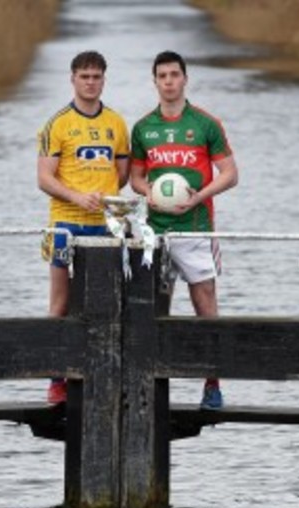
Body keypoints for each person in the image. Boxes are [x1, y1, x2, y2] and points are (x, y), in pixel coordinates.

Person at [130, 50, 238, 409]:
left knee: (204, 304)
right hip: (155, 232)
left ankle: (212, 384)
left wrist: (198, 198)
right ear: (155, 81)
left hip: (195, 227)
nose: (169, 81)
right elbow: (135, 178)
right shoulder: (144, 128)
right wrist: (153, 195)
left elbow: (230, 174)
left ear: (185, 79)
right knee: (156, 309)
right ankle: (153, 388)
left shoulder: (206, 124)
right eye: (162, 76)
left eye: (175, 74)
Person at [37, 51, 130, 404]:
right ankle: (56, 380)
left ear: (104, 79)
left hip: (106, 226)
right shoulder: (57, 124)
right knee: (60, 304)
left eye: (96, 76)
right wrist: (77, 197)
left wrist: (104, 197)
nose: (91, 82)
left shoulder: (116, 124)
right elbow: (44, 179)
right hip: (66, 224)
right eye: (84, 76)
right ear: (72, 79)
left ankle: (104, 376)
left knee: (106, 304)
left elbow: (120, 174)